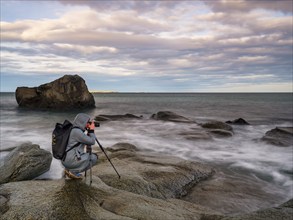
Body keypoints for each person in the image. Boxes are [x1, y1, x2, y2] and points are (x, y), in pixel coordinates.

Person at [62, 113, 98, 179]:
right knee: (94, 157)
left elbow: (88, 143)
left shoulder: (72, 129)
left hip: (66, 159)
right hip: (71, 160)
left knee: (88, 156)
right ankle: (73, 171)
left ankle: (69, 169)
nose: (88, 124)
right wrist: (91, 130)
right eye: (87, 122)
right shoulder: (77, 132)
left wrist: (88, 132)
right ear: (82, 122)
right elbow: (92, 141)